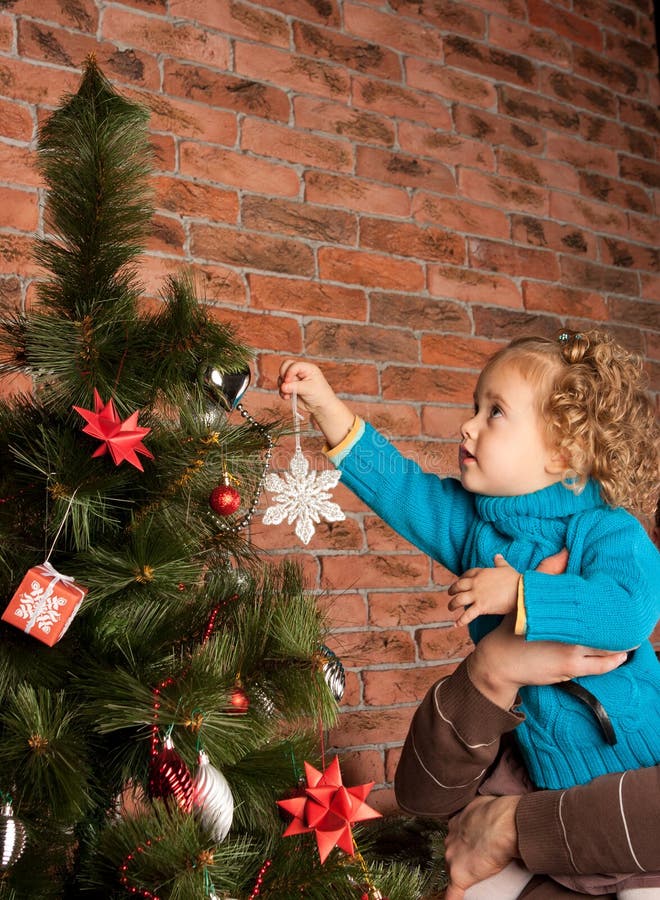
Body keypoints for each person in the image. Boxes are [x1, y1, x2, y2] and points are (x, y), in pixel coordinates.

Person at [277, 329, 660, 897]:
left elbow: (628, 612)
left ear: (564, 453)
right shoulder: (476, 529)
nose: (469, 425)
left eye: (496, 412)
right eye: (475, 407)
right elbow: (403, 490)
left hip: (630, 775)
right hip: (540, 781)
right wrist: (328, 409)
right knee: (469, 884)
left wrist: (521, 593)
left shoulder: (608, 528)